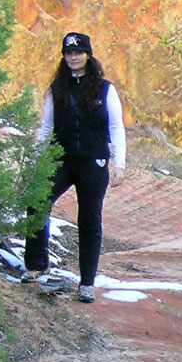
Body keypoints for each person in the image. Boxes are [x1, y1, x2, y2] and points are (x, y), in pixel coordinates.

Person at [22, 31, 126, 303]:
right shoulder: (56, 89)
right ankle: (36, 264)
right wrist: (36, 160)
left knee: (89, 220)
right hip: (60, 158)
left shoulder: (105, 89)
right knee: (37, 202)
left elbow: (116, 127)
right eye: (69, 53)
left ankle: (87, 282)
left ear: (88, 55)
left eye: (78, 52)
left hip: (93, 162)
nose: (73, 57)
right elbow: (46, 126)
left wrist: (120, 163)